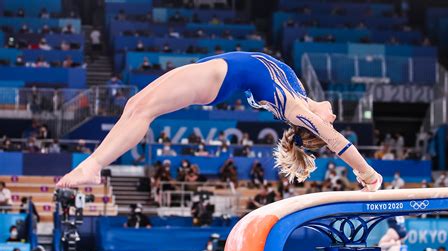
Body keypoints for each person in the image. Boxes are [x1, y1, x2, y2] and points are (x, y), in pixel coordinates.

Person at [57, 52, 382, 191]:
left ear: (312, 128)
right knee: (135, 104)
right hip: (215, 71)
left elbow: (338, 141)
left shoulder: (297, 110)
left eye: (329, 124)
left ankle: (93, 165)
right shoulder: (300, 98)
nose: (334, 118)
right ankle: (93, 164)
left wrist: (367, 173)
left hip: (217, 76)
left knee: (143, 109)